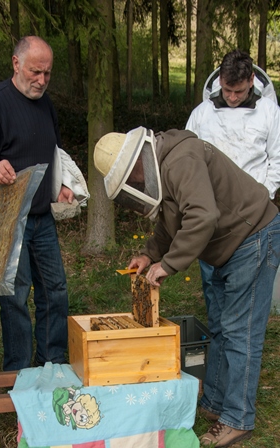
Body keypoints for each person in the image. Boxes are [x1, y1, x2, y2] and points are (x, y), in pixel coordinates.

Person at [93, 126, 280, 447]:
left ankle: (237, 418)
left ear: (138, 161)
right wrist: (149, 255)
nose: (136, 185)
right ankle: (215, 402)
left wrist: (168, 264)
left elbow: (203, 217)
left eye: (133, 178)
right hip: (231, 244)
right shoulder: (164, 170)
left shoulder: (180, 159)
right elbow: (169, 224)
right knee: (223, 327)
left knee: (241, 332)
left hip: (252, 236)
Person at [0, 36, 73, 371]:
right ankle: (18, 371)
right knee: (16, 297)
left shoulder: (45, 103)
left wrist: (60, 185)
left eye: (47, 73)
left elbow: (54, 151)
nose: (42, 80)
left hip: (42, 217)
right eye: (36, 72)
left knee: (55, 290)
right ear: (16, 64)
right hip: (8, 221)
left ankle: (52, 362)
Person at [185, 49, 280, 311]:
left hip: (253, 219)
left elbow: (278, 160)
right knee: (214, 297)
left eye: (238, 91)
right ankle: (219, 347)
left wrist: (262, 194)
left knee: (242, 309)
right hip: (211, 216)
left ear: (251, 80)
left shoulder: (270, 113)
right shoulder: (202, 114)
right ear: (220, 82)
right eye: (227, 90)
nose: (232, 97)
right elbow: (187, 160)